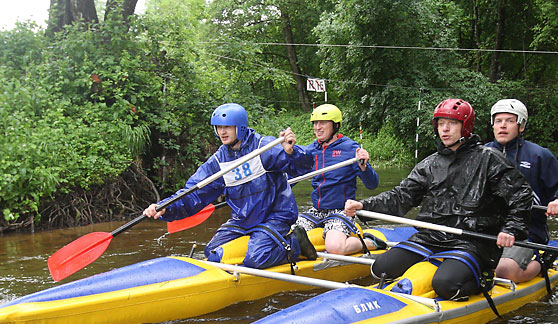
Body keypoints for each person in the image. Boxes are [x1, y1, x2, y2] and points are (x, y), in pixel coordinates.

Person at [344, 98, 532, 301]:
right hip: (432, 237)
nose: (445, 129)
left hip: (473, 240)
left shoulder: (489, 159)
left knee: (446, 284)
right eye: (441, 124)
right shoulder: (430, 164)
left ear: (465, 127)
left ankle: (483, 276)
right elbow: (401, 196)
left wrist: (510, 228)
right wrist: (365, 205)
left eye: (452, 124)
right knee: (380, 268)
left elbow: (521, 196)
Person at [144, 103, 315, 269]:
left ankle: (295, 242)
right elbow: (194, 194)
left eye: (227, 127)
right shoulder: (218, 162)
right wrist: (167, 207)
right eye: (218, 127)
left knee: (256, 258)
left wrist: (291, 152)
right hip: (243, 219)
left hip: (275, 216)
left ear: (239, 127)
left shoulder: (264, 147)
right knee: (212, 253)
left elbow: (303, 167)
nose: (222, 132)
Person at [486, 99, 558, 283]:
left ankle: (543, 262)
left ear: (521, 126)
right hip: (486, 230)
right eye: (498, 121)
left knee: (504, 270)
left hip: (527, 232)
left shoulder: (539, 155)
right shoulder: (480, 154)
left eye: (510, 121)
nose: (503, 126)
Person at [293, 103, 384, 255]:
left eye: (323, 123)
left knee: (335, 247)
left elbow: (372, 184)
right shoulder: (309, 151)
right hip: (317, 211)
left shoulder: (349, 148)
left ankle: (368, 242)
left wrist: (364, 166)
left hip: (342, 210)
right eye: (315, 123)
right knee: (287, 233)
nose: (317, 127)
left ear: (335, 126)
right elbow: (292, 177)